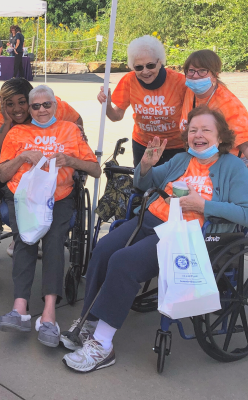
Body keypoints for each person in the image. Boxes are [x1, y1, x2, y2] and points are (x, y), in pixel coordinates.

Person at [61, 105, 248, 373]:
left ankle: (102, 345)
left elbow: (245, 212)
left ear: (221, 138)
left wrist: (203, 206)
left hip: (184, 235)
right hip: (148, 219)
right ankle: (87, 322)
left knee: (123, 262)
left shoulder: (233, 167)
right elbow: (145, 182)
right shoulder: (183, 160)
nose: (198, 135)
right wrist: (146, 164)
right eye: (193, 129)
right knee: (103, 248)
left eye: (206, 130)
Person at [0, 85, 101, 348]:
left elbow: (96, 170)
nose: (41, 110)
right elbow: (1, 175)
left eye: (47, 105)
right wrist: (22, 156)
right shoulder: (18, 132)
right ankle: (20, 308)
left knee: (55, 240)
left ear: (56, 105)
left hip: (59, 196)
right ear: (30, 109)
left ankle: (49, 313)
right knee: (26, 239)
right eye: (36, 106)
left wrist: (70, 160)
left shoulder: (70, 130)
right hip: (24, 197)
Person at [0, 78, 84, 258]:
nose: (16, 109)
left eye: (22, 102)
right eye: (10, 104)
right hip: (19, 180)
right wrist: (7, 123)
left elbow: (77, 119)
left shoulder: (50, 105)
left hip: (52, 180)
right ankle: (22, 236)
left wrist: (76, 134)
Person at [97, 35, 186, 167]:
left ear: (160, 62)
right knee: (144, 183)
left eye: (150, 65)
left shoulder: (179, 82)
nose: (145, 71)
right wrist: (107, 105)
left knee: (170, 186)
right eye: (138, 67)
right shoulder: (129, 80)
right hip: (145, 146)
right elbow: (116, 116)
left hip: (175, 147)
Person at [180, 49, 248, 162]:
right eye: (191, 70)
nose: (195, 76)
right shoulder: (190, 91)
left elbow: (245, 145)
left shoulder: (229, 104)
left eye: (202, 71)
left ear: (215, 75)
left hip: (227, 162)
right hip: (198, 159)